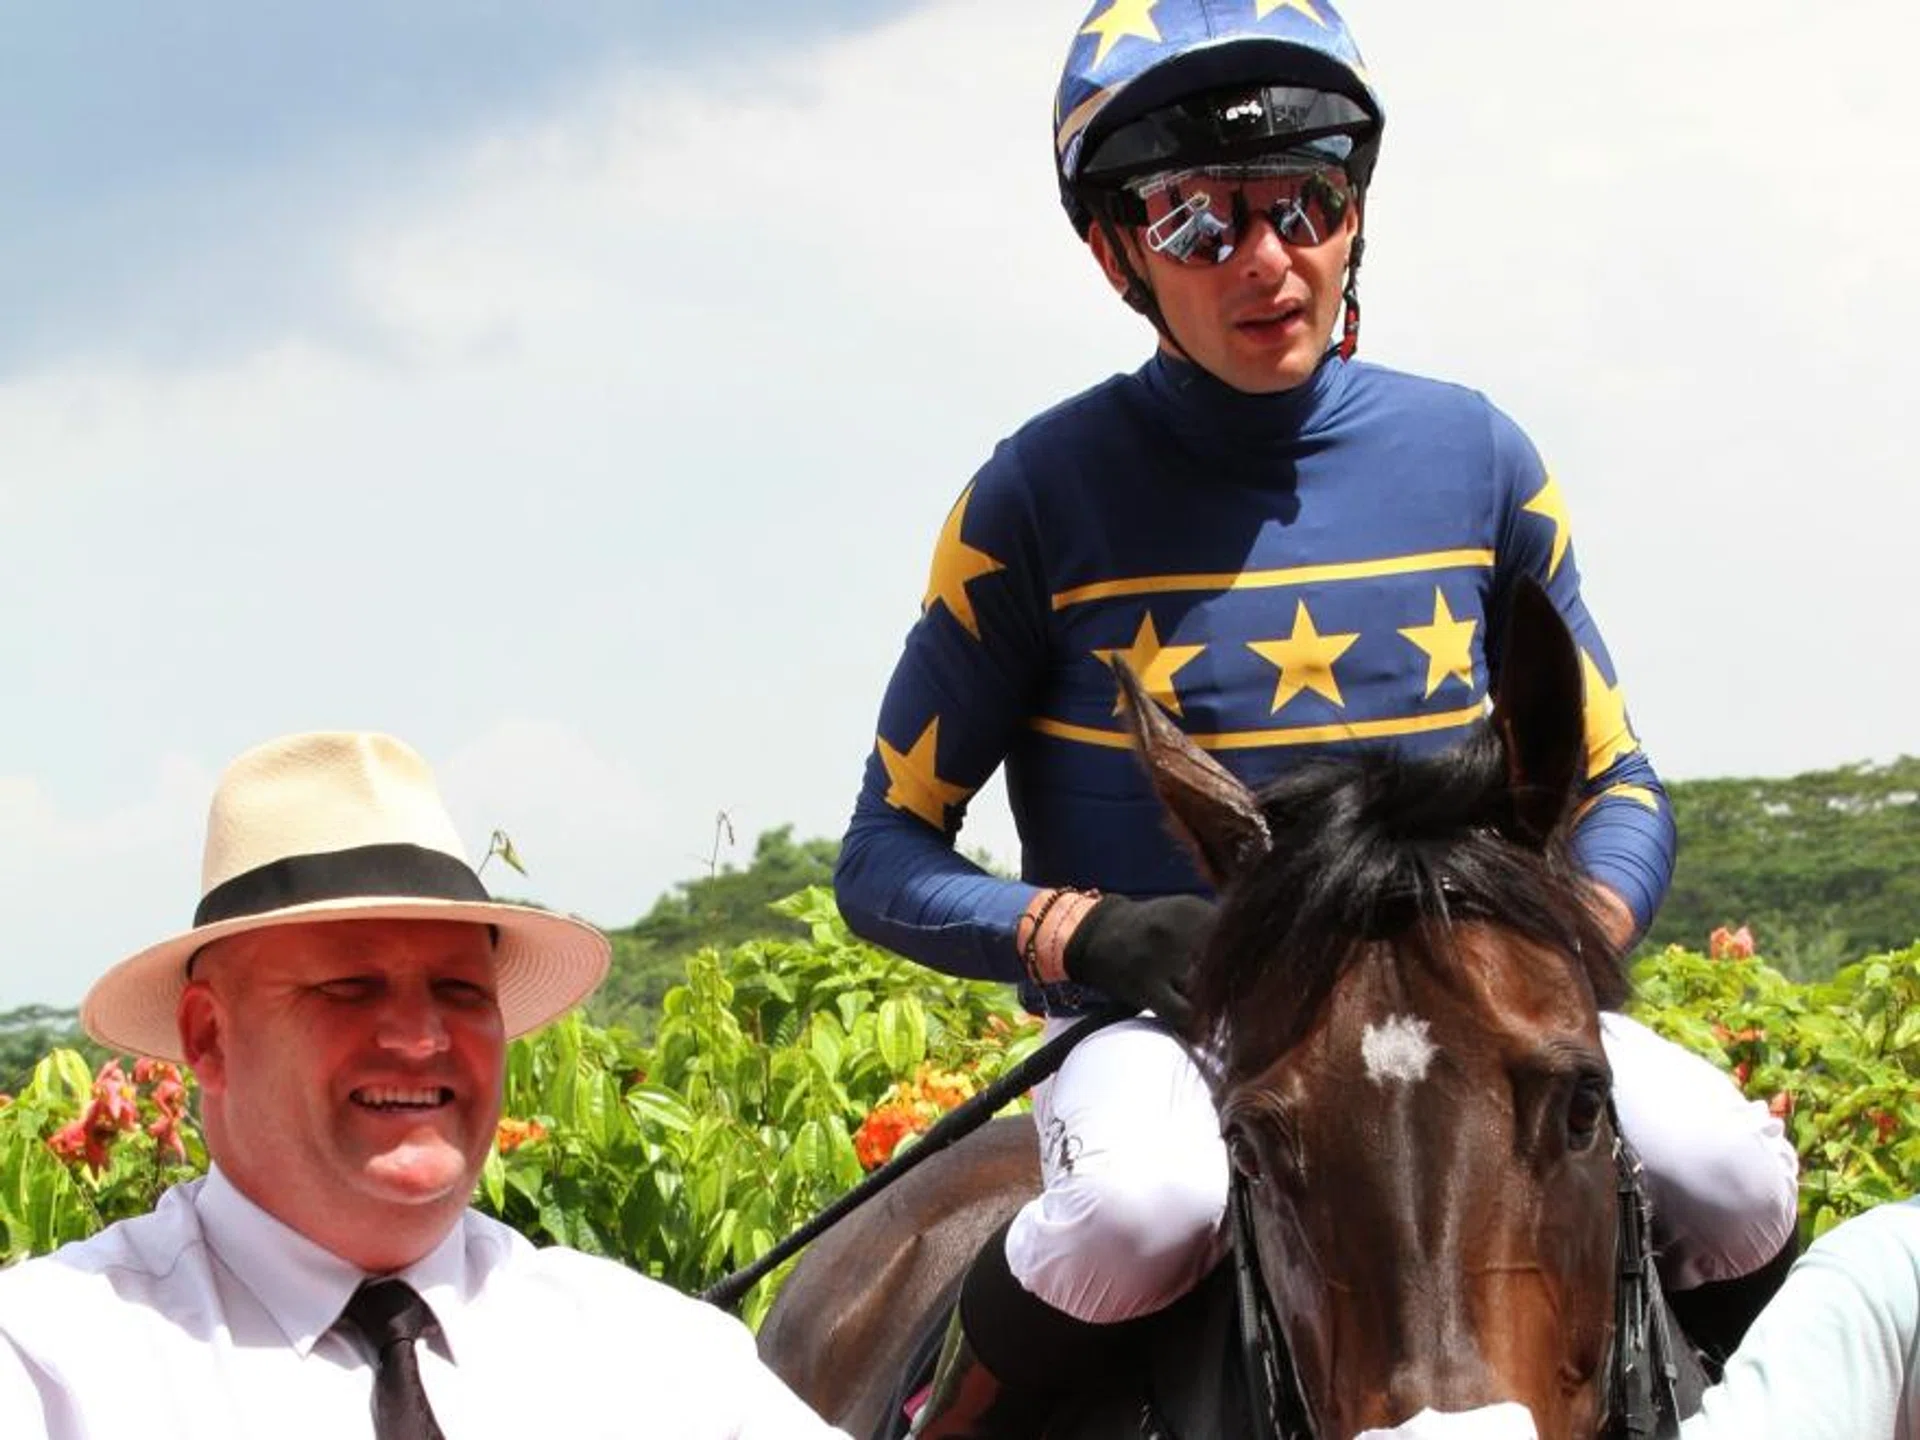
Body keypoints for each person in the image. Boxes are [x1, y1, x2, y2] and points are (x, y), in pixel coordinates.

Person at [833, 1, 1800, 1432]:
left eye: (1305, 202)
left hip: (1471, 1006)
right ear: (1114, 251)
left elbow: (1620, 784)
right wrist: (1088, 934)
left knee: (1735, 1176)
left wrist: (1562, 944)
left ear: (1355, 213)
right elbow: (881, 856)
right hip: (1186, 1028)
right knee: (1140, 1213)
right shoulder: (1031, 499)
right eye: (1197, 220)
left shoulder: (1479, 455)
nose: (1266, 259)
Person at [0, 731, 846, 1440]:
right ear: (208, 1036)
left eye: (460, 991)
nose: (421, 1038)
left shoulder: (661, 1363)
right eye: (348, 988)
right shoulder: (50, 1369)